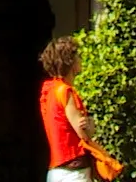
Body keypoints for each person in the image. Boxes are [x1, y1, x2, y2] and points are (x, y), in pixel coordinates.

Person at [39, 37, 97, 179]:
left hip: (55, 172)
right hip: (74, 172)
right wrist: (91, 125)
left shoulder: (50, 90)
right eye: (77, 55)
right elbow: (84, 134)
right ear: (69, 61)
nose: (79, 58)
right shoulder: (65, 92)